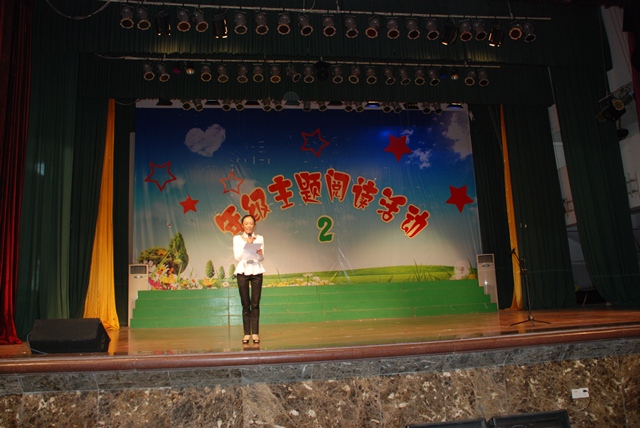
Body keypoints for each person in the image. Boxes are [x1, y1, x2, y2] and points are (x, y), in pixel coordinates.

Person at [233, 214, 265, 345]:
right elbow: (237, 257)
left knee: (255, 303)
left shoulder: (260, 238)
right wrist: (247, 244)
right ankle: (247, 333)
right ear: (242, 225)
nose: (249, 226)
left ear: (254, 225)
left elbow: (262, 258)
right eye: (246, 223)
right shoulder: (237, 239)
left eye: (251, 223)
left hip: (256, 270)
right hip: (243, 271)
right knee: (246, 304)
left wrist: (260, 253)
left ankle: (255, 333)